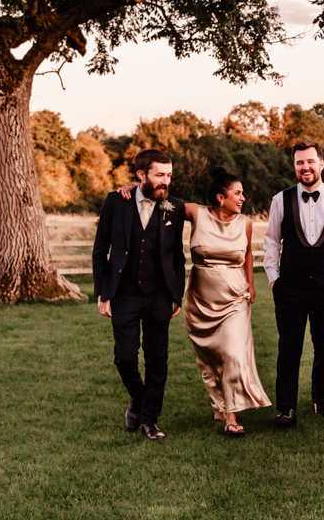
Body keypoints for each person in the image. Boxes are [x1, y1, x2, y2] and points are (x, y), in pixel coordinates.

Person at [116, 167, 271, 437]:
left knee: (233, 353)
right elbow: (161, 201)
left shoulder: (245, 223)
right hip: (201, 297)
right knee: (210, 354)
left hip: (235, 296)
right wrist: (137, 186)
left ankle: (231, 415)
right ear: (221, 198)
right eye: (238, 193)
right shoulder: (195, 213)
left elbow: (247, 254)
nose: (243, 198)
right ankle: (218, 402)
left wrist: (251, 285)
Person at [92, 149, 186, 441]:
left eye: (169, 175)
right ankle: (139, 397)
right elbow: (100, 250)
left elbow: (177, 256)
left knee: (158, 360)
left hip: (159, 295)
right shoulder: (115, 202)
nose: (165, 181)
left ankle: (150, 420)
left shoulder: (174, 206)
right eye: (160, 175)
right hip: (124, 294)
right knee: (125, 358)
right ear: (141, 175)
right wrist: (102, 293)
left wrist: (177, 295)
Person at [263, 140, 324, 428]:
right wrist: (273, 280)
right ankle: (286, 408)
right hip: (289, 287)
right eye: (299, 162)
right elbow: (270, 241)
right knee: (289, 346)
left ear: (321, 163)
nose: (305, 167)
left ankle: (321, 400)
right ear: (294, 166)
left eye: (310, 161)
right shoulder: (281, 199)